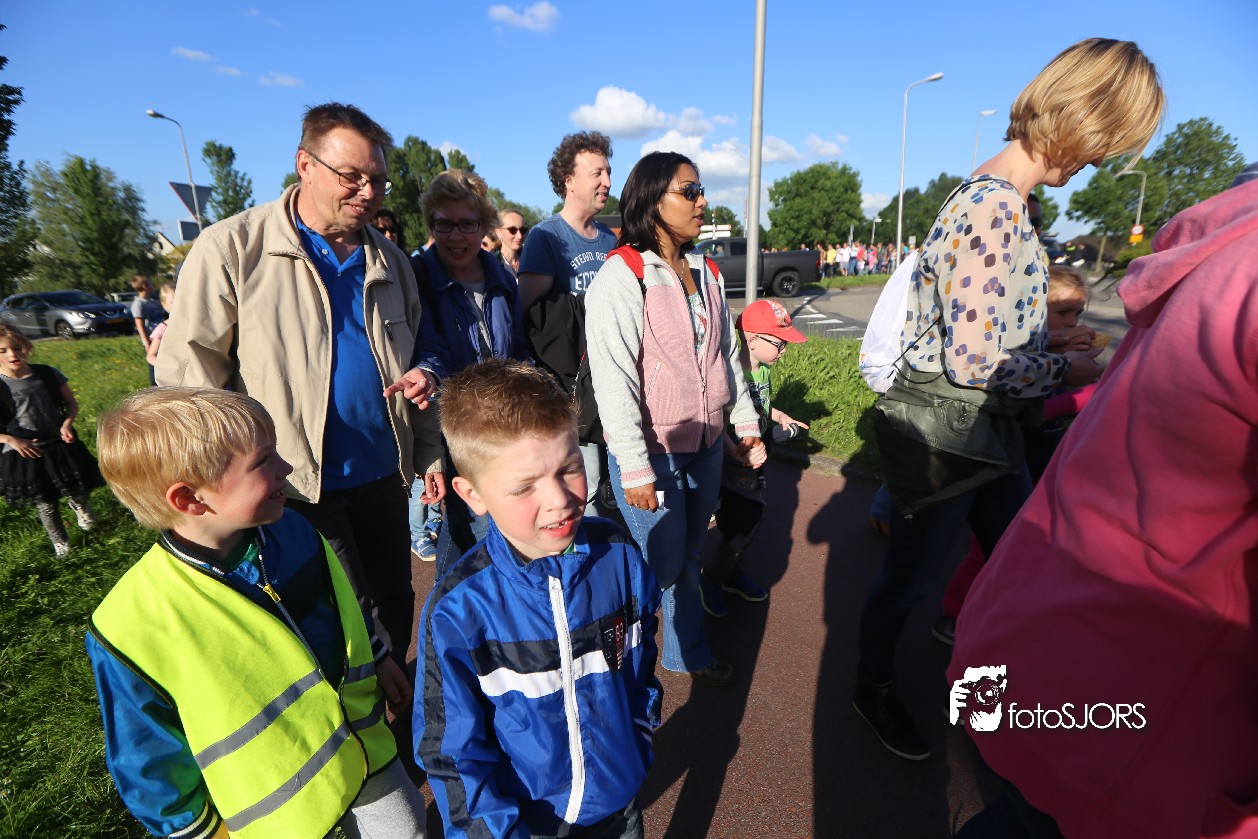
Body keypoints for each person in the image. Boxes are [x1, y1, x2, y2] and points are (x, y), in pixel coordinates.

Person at [855, 38, 1164, 761]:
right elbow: (973, 364)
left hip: (982, 437)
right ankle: (874, 685)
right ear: (1081, 118)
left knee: (1013, 570)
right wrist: (1064, 370)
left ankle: (983, 692)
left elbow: (979, 335)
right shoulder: (996, 208)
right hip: (954, 438)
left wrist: (1049, 344)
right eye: (1105, 143)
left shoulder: (995, 196)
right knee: (918, 580)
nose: (1099, 162)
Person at [952, 172, 1258, 839]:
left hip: (1051, 652)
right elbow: (976, 364)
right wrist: (1063, 371)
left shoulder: (1212, 257)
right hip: (1138, 729)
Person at [156, 102, 446, 664]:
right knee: (343, 618)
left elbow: (414, 361)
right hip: (293, 485)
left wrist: (429, 452)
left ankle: (393, 701)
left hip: (384, 476)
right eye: (352, 176)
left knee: (395, 600)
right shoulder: (233, 249)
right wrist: (213, 489)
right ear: (305, 165)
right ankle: (358, 709)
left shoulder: (391, 261)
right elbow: (189, 384)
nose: (368, 192)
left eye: (378, 180)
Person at [87, 388, 424, 839]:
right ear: (189, 499)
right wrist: (196, 831)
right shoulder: (130, 623)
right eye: (264, 461)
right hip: (280, 814)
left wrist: (378, 654)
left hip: (365, 754)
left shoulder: (296, 531)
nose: (286, 467)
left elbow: (341, 608)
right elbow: (146, 753)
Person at [414, 359, 661, 838]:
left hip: (620, 803)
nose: (559, 499)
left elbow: (641, 649)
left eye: (569, 469)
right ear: (472, 494)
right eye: (525, 486)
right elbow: (451, 753)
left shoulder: (618, 556)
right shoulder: (460, 608)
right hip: (525, 825)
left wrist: (640, 730)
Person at [587, 151, 764, 687]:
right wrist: (635, 467)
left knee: (687, 559)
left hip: (706, 448)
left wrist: (744, 423)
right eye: (689, 191)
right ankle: (618, 656)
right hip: (653, 454)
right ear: (651, 200)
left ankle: (685, 656)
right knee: (660, 566)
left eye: (700, 189)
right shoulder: (623, 274)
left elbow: (726, 358)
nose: (702, 200)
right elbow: (613, 378)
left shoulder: (708, 271)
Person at [410, 169, 532, 576]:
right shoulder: (418, 276)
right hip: (455, 429)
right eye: (444, 224)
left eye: (467, 224)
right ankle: (452, 607)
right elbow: (429, 348)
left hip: (504, 425)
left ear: (484, 226)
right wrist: (427, 372)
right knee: (478, 530)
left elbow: (519, 347)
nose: (456, 236)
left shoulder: (502, 277)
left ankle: (457, 603)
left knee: (482, 529)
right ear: (430, 225)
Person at [517, 131, 618, 516]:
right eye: (597, 173)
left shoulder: (608, 238)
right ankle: (583, 551)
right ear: (569, 180)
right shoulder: (546, 237)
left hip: (611, 377)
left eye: (608, 172)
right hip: (571, 386)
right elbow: (530, 314)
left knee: (614, 481)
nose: (607, 181)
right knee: (583, 483)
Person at [699, 299, 809, 618]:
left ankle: (732, 574)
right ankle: (712, 579)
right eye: (779, 343)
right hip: (733, 458)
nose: (784, 350)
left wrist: (778, 416)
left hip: (756, 456)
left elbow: (761, 405)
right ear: (752, 339)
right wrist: (734, 453)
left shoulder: (762, 369)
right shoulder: (731, 373)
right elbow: (717, 419)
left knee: (751, 520)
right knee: (742, 521)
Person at [0, 324, 101, 556]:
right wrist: (11, 440)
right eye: (2, 351)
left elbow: (71, 403)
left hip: (60, 443)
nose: (12, 354)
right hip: (26, 452)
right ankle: (61, 544)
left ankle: (79, 505)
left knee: (80, 485)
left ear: (27, 346)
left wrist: (67, 424)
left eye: (17, 348)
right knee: (46, 501)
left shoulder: (47, 374)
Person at [130, 275, 167, 384]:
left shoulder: (152, 301)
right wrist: (147, 343)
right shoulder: (138, 304)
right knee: (154, 365)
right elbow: (140, 325)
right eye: (150, 283)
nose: (153, 285)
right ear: (145, 286)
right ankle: (155, 385)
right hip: (152, 340)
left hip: (161, 337)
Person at [143, 282, 177, 369]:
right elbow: (151, 356)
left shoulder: (193, 324)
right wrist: (166, 366)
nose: (177, 305)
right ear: (164, 305)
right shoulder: (163, 328)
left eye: (180, 301)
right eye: (172, 302)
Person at [495, 209, 529, 277]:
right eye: (512, 230)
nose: (519, 236)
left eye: (522, 230)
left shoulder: (531, 260)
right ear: (499, 232)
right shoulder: (490, 263)